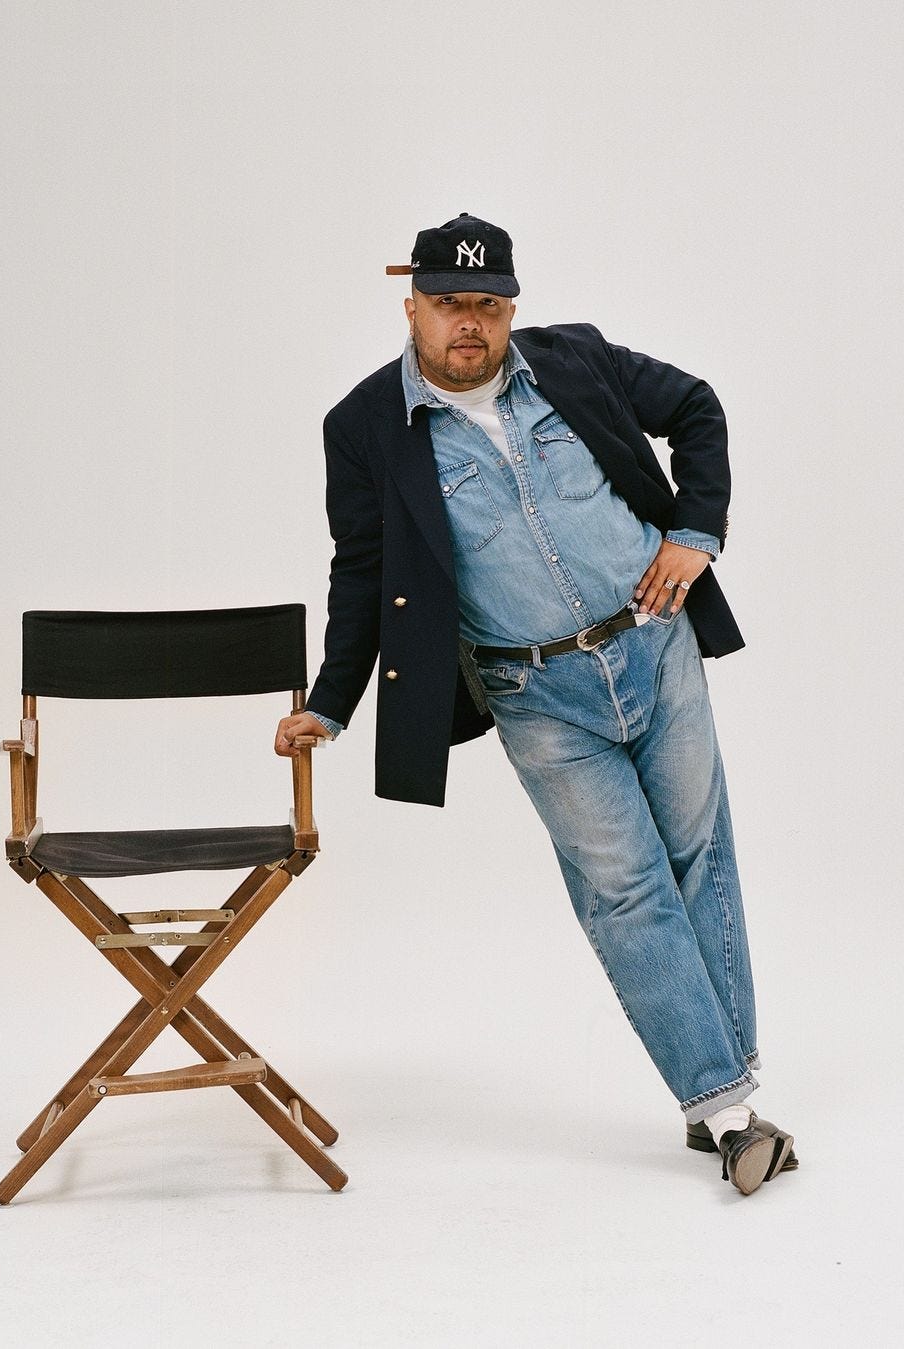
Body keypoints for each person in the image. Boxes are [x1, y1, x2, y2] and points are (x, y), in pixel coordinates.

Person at [274, 213, 797, 1195]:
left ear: (512, 308)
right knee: (625, 886)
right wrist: (331, 703)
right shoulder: (364, 427)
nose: (467, 324)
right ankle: (730, 1111)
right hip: (535, 691)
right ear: (412, 307)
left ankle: (722, 1092)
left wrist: (696, 529)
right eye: (447, 305)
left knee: (699, 858)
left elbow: (697, 406)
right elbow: (362, 567)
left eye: (487, 304)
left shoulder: (577, 361)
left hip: (656, 645)